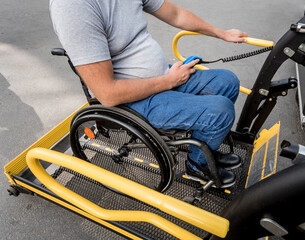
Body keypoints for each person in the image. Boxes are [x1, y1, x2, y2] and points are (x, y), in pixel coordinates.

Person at [50, 0, 248, 187]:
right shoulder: (73, 7)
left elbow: (176, 14)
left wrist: (221, 33)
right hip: (132, 99)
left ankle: (203, 152)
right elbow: (107, 94)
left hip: (163, 77)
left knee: (227, 82)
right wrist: (169, 81)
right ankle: (197, 167)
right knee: (221, 111)